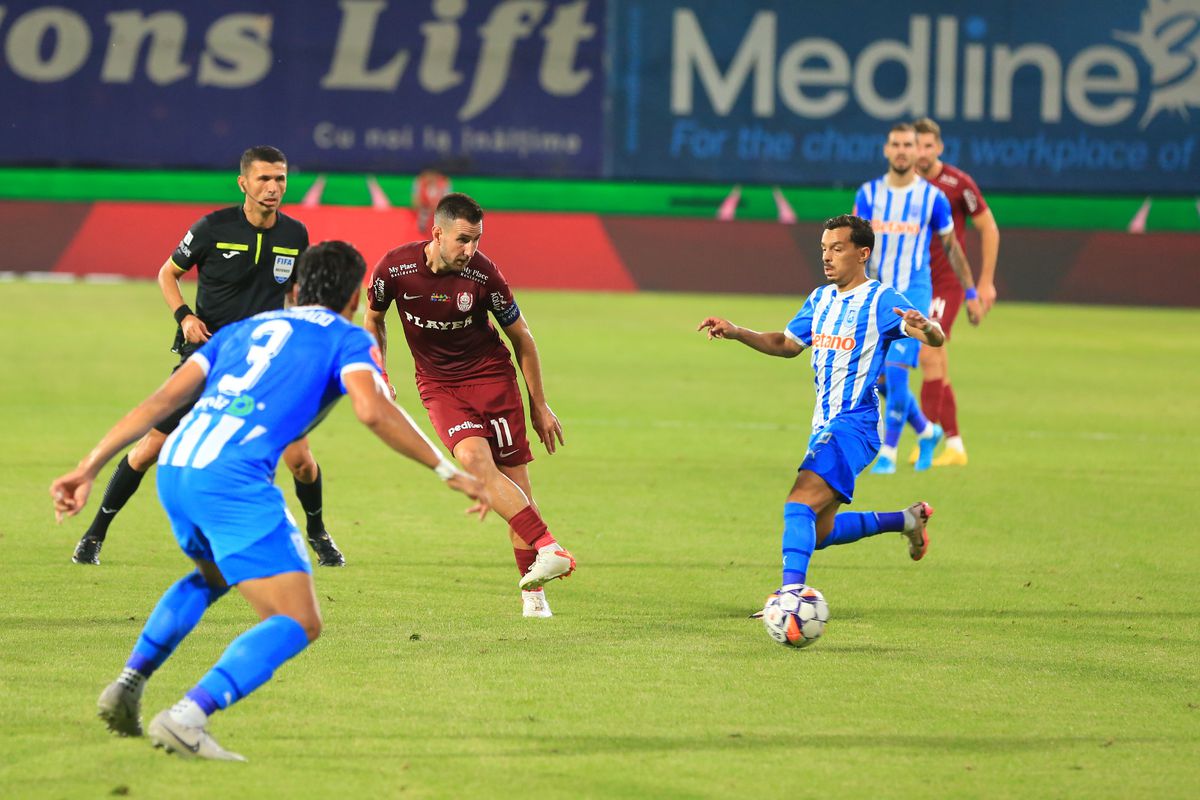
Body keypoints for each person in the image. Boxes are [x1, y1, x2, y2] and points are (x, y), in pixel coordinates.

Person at [50, 240, 486, 761]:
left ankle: (129, 682)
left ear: (296, 288)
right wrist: (445, 468)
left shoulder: (242, 330)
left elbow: (162, 401)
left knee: (211, 576)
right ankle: (188, 717)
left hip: (178, 468)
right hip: (232, 480)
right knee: (298, 621)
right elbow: (373, 410)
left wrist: (88, 466)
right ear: (353, 296)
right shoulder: (348, 338)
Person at [71, 145, 347, 568]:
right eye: (264, 179)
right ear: (243, 183)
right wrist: (184, 316)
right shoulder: (211, 228)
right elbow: (168, 273)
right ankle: (94, 535)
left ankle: (317, 532)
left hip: (264, 366)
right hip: (209, 357)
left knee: (301, 461)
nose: (273, 188)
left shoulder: (295, 235)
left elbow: (294, 292)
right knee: (148, 450)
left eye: (280, 179)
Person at [697, 215, 942, 612]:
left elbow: (934, 336)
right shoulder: (821, 299)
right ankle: (907, 520)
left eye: (837, 249)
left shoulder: (882, 300)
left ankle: (790, 596)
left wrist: (926, 327)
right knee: (820, 530)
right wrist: (738, 331)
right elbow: (786, 344)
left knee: (798, 504)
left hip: (856, 426)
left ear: (862, 253)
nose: (827, 257)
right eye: (824, 249)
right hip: (824, 427)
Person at [363, 192, 575, 618]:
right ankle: (550, 547)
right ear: (436, 232)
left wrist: (539, 405)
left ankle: (533, 594)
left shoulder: (484, 275)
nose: (470, 250)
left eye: (476, 240)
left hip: (492, 380)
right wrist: (379, 372)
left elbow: (523, 340)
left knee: (517, 485)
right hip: (440, 387)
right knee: (477, 465)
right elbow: (373, 317)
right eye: (462, 239)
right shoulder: (395, 268)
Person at [853, 123, 981, 475]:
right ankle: (927, 430)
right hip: (878, 294)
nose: (902, 150)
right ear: (886, 150)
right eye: (895, 144)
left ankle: (889, 454)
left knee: (895, 373)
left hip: (913, 293)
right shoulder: (868, 194)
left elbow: (952, 248)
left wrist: (971, 291)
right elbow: (856, 247)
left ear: (915, 151)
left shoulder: (932, 198)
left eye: (908, 144)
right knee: (876, 378)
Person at [911, 117, 1000, 467]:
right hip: (915, 281)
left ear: (939, 148)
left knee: (928, 355)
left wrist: (983, 283)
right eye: (915, 145)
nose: (920, 153)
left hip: (945, 283)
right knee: (938, 367)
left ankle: (927, 436)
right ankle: (956, 445)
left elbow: (989, 229)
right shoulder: (902, 187)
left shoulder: (957, 184)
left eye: (927, 146)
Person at [412, 167, 452, 235]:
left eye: (432, 175)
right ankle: (422, 230)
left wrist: (438, 207)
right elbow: (416, 200)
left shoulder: (444, 182)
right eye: (427, 175)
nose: (429, 178)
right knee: (422, 216)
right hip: (425, 207)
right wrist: (421, 205)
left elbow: (447, 200)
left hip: (439, 208)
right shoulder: (420, 181)